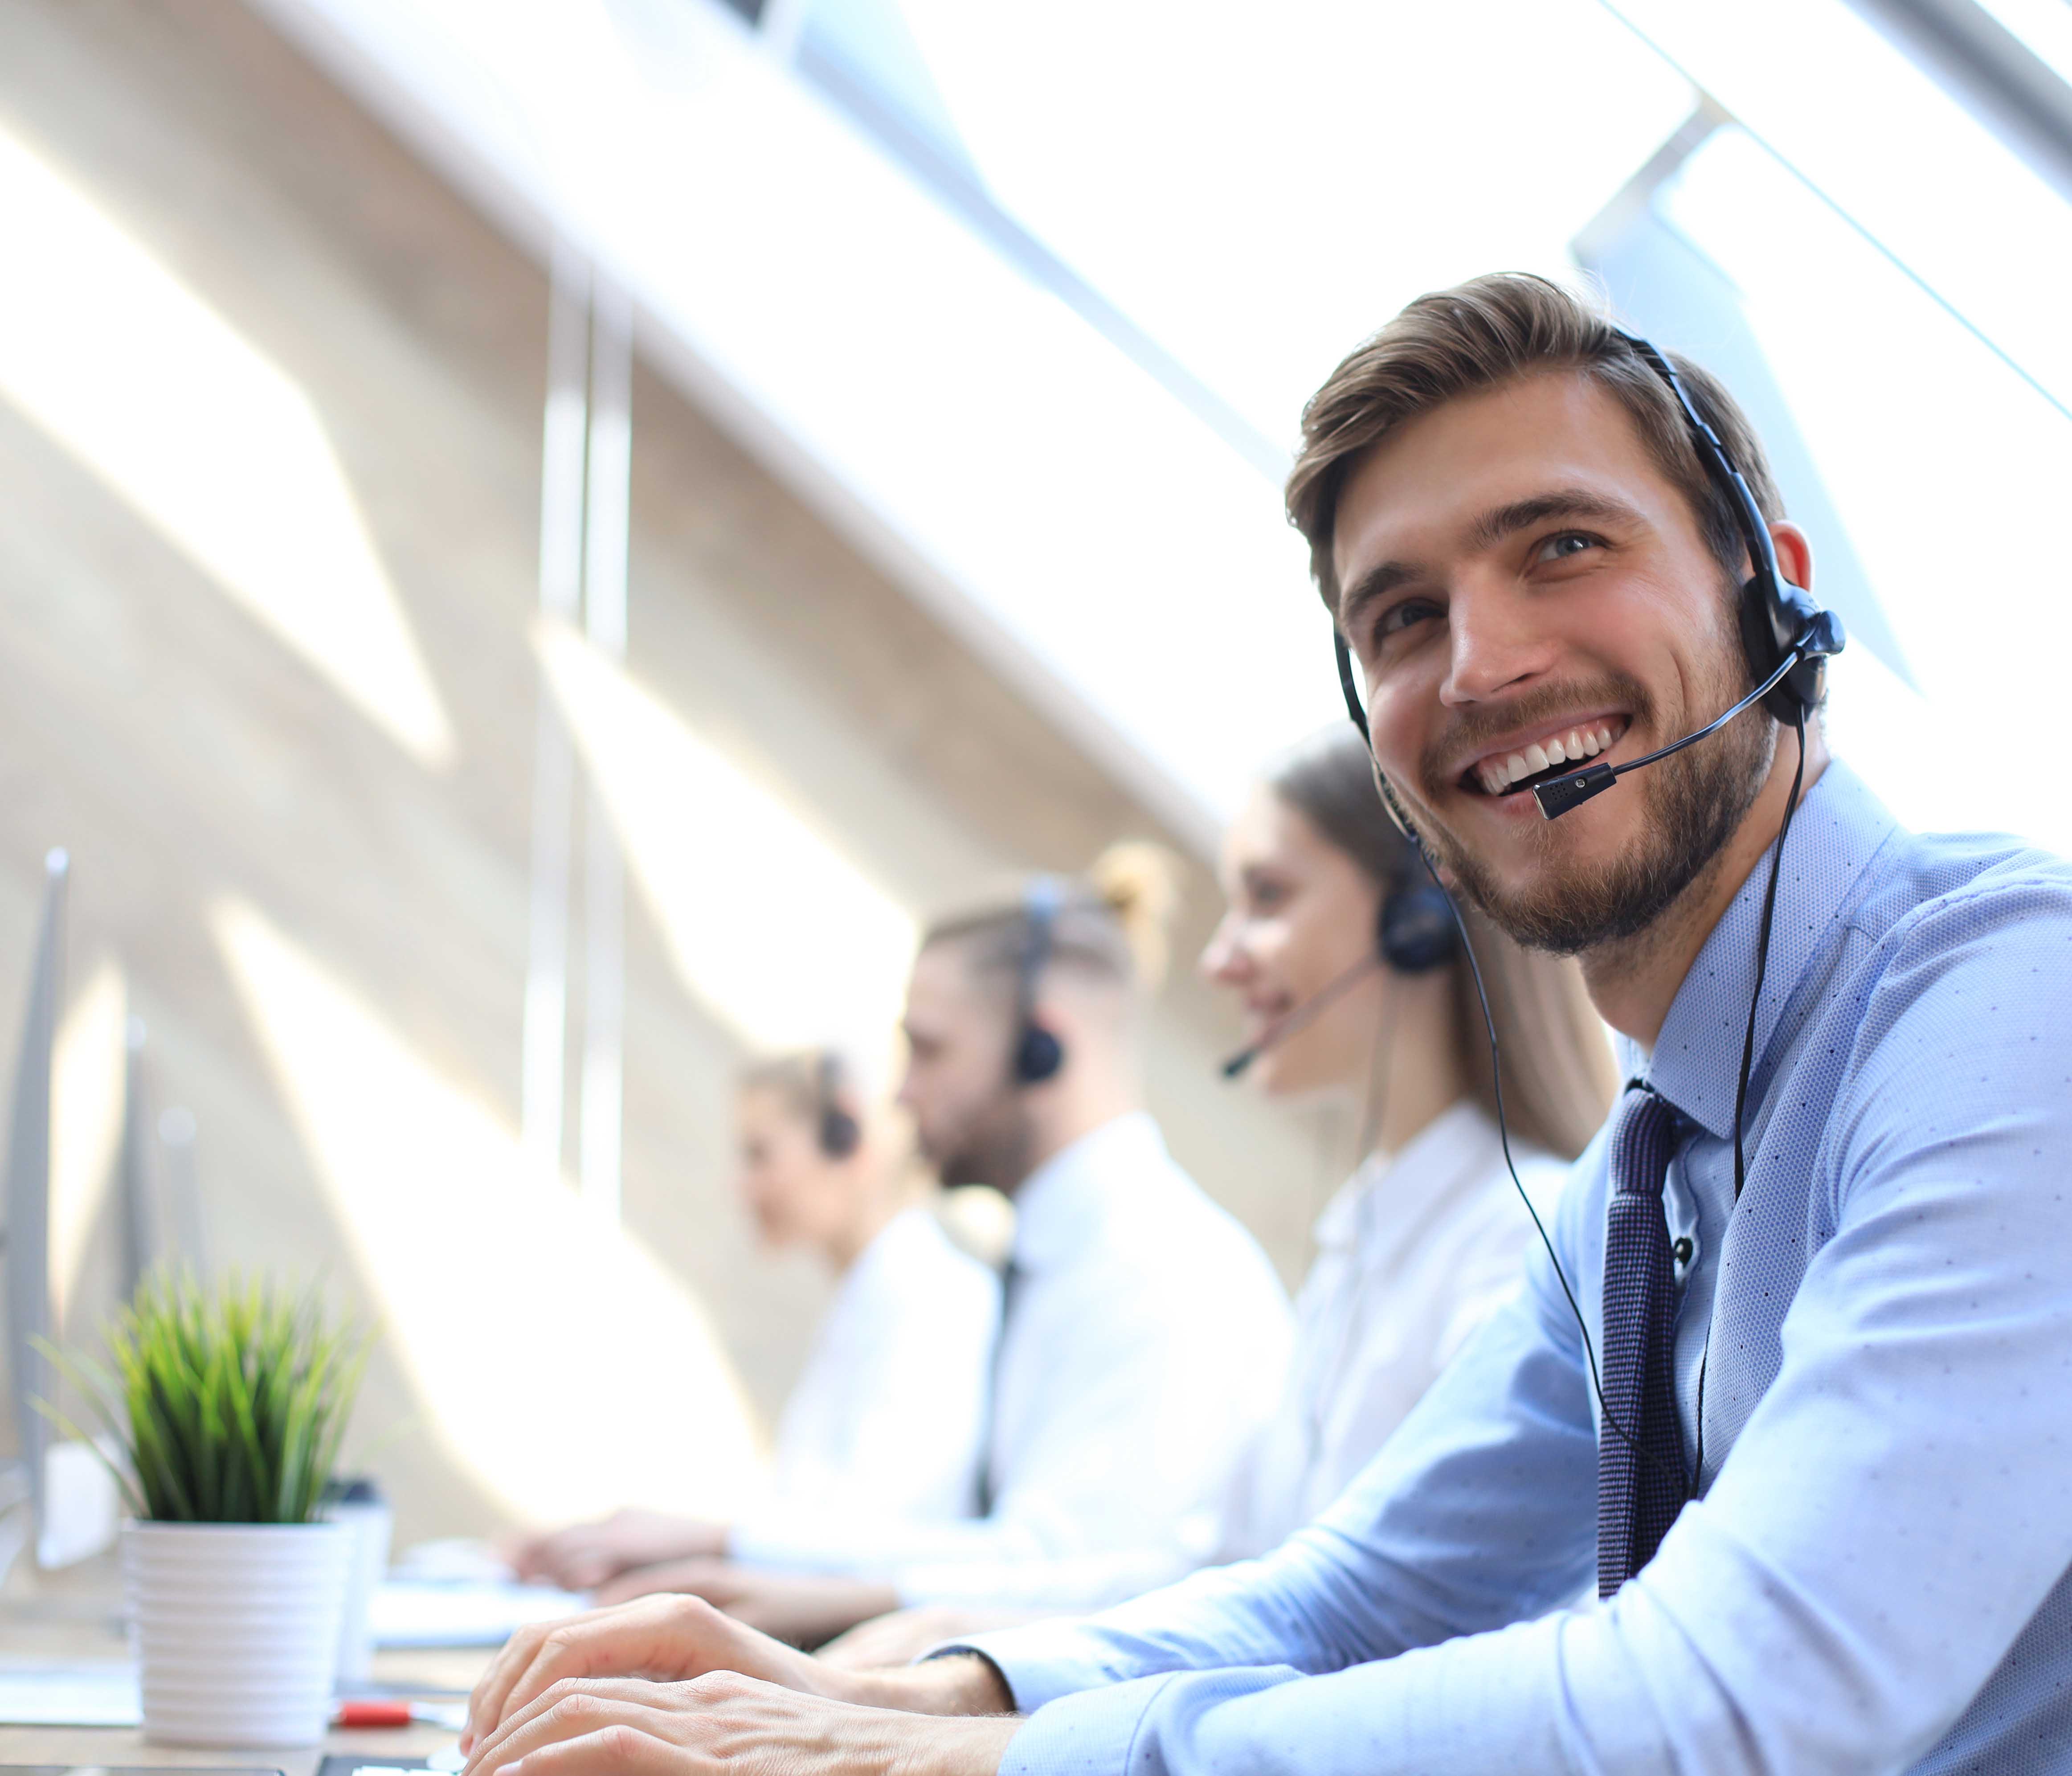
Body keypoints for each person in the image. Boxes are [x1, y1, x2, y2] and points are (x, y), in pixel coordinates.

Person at [455, 273, 2072, 1773]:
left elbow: (1731, 1699)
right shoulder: (1649, 1168)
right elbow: (1342, 1599)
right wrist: (889, 1695)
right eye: (1399, 620)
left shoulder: (2002, 1004)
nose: (1485, 662)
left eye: (1559, 545)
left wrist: (975, 1760)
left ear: (1772, 586)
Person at [817, 727, 1615, 1667]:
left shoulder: (1516, 1247)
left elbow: (1362, 1635)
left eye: (1268, 898)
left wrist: (968, 1670)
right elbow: (1225, 1568)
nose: (1218, 959)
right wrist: (952, 1633)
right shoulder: (1362, 1245)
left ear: (1418, 912)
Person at [510, 844, 1294, 1646]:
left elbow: (1075, 1577)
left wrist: (739, 1554)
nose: (900, 1093)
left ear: (1042, 1048)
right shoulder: (1056, 1260)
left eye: (929, 1048)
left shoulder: (1166, 1274)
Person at [511, 1049, 999, 1595]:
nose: (740, 1185)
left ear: (849, 1141)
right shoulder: (870, 1298)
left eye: (760, 1155)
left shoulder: (935, 1296)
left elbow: (880, 1539)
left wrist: (699, 1542)